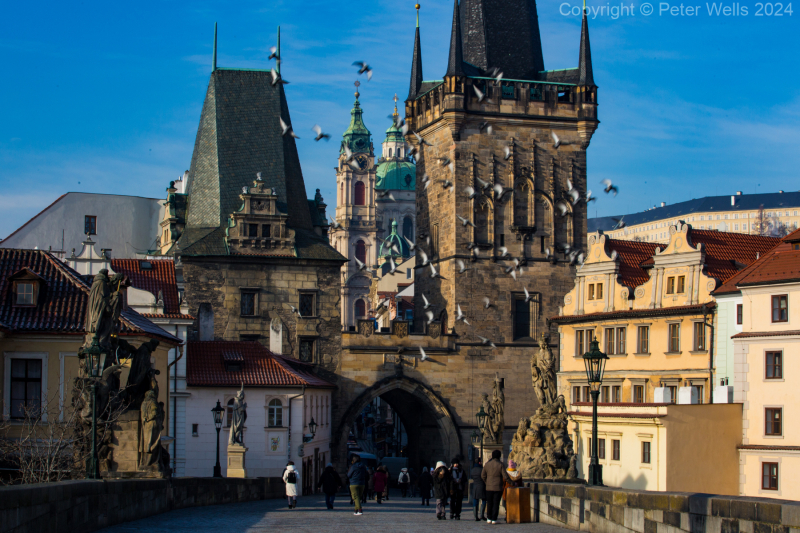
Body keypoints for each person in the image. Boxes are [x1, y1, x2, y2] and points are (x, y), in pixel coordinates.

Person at [481, 450, 510, 524]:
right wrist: (512, 482)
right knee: (496, 503)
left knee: (489, 503)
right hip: (498, 487)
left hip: (489, 487)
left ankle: (489, 518)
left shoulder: (487, 464)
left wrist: (487, 482)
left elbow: (483, 475)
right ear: (499, 456)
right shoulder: (500, 464)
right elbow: (505, 476)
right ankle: (494, 519)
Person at [470, 457, 487, 522]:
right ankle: (482, 515)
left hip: (475, 486)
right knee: (484, 500)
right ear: (479, 462)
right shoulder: (482, 469)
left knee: (475, 501)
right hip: (482, 486)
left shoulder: (472, 470)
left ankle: (475, 516)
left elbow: (472, 477)